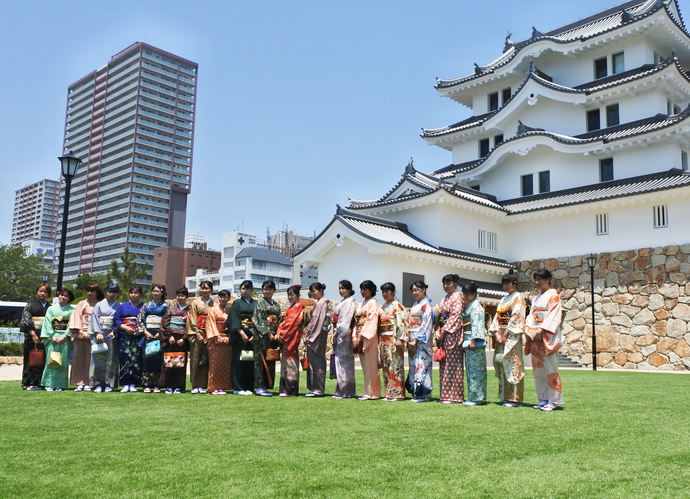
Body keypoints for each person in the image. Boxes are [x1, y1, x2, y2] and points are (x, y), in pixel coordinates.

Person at [525, 269, 564, 411]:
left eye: (540, 279)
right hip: (535, 335)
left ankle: (553, 401)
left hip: (546, 336)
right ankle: (543, 398)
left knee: (550, 368)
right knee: (538, 369)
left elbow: (554, 315)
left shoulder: (554, 296)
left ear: (548, 279)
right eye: (536, 279)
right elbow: (530, 316)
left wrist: (541, 329)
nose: (537, 282)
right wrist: (528, 329)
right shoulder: (536, 298)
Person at [489, 270, 526, 407]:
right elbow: (497, 318)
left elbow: (517, 316)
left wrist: (506, 334)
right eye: (503, 284)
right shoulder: (503, 299)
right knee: (503, 364)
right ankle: (506, 396)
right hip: (501, 335)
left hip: (512, 336)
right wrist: (497, 334)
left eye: (508, 283)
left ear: (514, 284)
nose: (505, 286)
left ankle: (515, 398)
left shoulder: (518, 298)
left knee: (514, 365)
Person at [435, 274, 465, 404]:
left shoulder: (458, 297)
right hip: (443, 332)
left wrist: (444, 331)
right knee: (444, 364)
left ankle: (455, 395)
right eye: (444, 283)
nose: (446, 286)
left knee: (454, 365)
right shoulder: (444, 299)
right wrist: (437, 331)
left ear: (455, 283)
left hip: (452, 334)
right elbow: (440, 317)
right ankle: (445, 395)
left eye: (449, 283)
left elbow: (455, 316)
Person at [70, 283, 104, 391]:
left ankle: (90, 382)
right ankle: (79, 382)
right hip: (81, 333)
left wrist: (95, 332)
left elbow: (102, 320)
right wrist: (80, 331)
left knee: (92, 360)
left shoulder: (100, 304)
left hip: (94, 334)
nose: (89, 293)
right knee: (78, 358)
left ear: (97, 292)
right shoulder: (81, 304)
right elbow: (76, 317)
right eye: (88, 291)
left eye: (92, 291)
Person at [40, 289, 75, 391]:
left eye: (66, 296)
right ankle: (49, 383)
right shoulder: (51, 309)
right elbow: (47, 323)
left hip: (65, 338)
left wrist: (65, 335)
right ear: (58, 296)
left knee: (63, 361)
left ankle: (60, 384)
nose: (63, 297)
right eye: (62, 295)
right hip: (53, 336)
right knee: (50, 360)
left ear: (69, 298)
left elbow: (71, 324)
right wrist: (51, 336)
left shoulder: (71, 310)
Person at [136, 284, 168, 393]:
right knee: (147, 359)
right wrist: (145, 331)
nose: (155, 293)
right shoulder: (146, 305)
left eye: (157, 291)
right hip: (148, 334)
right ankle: (146, 384)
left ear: (162, 293)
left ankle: (157, 384)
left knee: (158, 360)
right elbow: (139, 319)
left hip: (160, 335)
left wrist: (161, 332)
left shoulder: (165, 306)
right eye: (153, 291)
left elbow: (167, 321)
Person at [89, 283, 121, 393]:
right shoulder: (99, 305)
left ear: (117, 293)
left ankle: (109, 384)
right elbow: (94, 319)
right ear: (106, 292)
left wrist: (115, 331)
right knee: (98, 360)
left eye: (114, 292)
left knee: (112, 360)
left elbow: (120, 321)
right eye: (109, 291)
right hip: (100, 334)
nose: (111, 294)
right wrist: (97, 332)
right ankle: (97, 383)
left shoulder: (119, 306)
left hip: (112, 335)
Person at [405, 280, 434, 402]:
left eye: (417, 290)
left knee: (422, 365)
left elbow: (426, 323)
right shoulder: (417, 304)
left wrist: (417, 339)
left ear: (424, 290)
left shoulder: (427, 305)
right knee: (414, 365)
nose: (415, 292)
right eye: (413, 291)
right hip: (413, 337)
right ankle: (416, 393)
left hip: (421, 340)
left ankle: (424, 394)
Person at [252, 280, 281, 396]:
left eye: (269, 289)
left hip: (273, 336)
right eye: (265, 289)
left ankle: (268, 385)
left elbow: (279, 320)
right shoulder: (260, 303)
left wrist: (277, 332)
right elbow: (258, 319)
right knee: (259, 360)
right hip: (261, 335)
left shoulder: (277, 305)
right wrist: (268, 333)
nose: (267, 291)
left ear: (274, 290)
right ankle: (259, 386)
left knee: (270, 359)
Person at [113, 286, 144, 392]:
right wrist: (124, 327)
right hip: (124, 335)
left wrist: (140, 330)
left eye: (136, 293)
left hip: (137, 335)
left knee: (136, 359)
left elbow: (146, 320)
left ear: (140, 294)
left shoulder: (143, 306)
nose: (134, 295)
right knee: (124, 358)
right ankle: (125, 383)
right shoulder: (122, 307)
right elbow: (116, 319)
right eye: (132, 293)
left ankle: (134, 383)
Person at [20, 283, 51, 390]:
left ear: (48, 294)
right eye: (40, 291)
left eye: (45, 292)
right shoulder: (30, 305)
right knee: (31, 358)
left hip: (46, 335)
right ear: (36, 292)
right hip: (32, 335)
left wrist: (47, 334)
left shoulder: (50, 307)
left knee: (44, 358)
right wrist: (33, 334)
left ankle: (42, 382)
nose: (42, 293)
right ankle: (28, 382)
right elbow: (25, 321)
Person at [378, 282, 406, 401]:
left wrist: (400, 338)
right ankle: (388, 392)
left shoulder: (397, 306)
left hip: (393, 337)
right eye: (383, 292)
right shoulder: (383, 307)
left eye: (387, 291)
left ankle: (398, 393)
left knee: (395, 365)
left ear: (393, 292)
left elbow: (401, 323)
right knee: (385, 365)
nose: (384, 294)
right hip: (384, 338)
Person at [158, 287, 189, 394]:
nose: (180, 298)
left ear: (186, 297)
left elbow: (190, 326)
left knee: (180, 364)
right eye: (178, 295)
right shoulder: (171, 309)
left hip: (181, 341)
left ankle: (178, 386)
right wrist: (168, 336)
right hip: (170, 340)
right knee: (168, 363)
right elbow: (164, 323)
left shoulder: (189, 310)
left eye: (182, 295)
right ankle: (168, 386)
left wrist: (184, 339)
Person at [353, 280, 380, 401]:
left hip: (369, 336)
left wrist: (362, 335)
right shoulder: (361, 304)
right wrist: (355, 335)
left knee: (371, 365)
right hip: (360, 334)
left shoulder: (373, 302)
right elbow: (357, 320)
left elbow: (371, 319)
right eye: (361, 289)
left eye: (365, 289)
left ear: (371, 290)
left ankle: (372, 393)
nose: (363, 291)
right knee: (365, 365)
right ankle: (367, 391)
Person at [275, 285, 304, 397]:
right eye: (289, 294)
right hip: (288, 336)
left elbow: (291, 323)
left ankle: (290, 389)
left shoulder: (298, 306)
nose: (290, 297)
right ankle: (285, 389)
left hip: (291, 337)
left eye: (292, 294)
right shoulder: (292, 307)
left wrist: (281, 333)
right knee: (286, 364)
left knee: (291, 363)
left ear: (297, 295)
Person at [461, 282, 487, 405]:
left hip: (473, 340)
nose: (465, 296)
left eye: (467, 293)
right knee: (471, 369)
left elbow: (477, 324)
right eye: (464, 293)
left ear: (474, 294)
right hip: (468, 338)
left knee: (476, 370)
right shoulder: (471, 305)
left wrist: (473, 339)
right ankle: (473, 396)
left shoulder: (476, 307)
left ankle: (477, 397)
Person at [229, 280, 256, 395]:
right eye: (243, 289)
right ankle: (238, 388)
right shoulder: (236, 303)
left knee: (249, 361)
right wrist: (241, 333)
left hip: (253, 335)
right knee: (238, 361)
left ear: (251, 290)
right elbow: (233, 319)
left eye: (247, 289)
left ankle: (249, 387)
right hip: (240, 335)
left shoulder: (256, 303)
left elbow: (259, 320)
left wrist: (254, 333)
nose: (244, 291)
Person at [187, 280, 214, 394]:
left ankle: (202, 385)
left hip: (209, 333)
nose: (204, 290)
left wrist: (210, 334)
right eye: (202, 288)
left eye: (207, 288)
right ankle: (195, 385)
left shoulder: (214, 304)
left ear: (211, 290)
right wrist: (197, 332)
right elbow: (191, 318)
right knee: (195, 359)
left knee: (206, 360)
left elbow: (214, 320)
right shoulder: (195, 302)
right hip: (196, 332)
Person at [332, 280, 356, 399]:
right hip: (342, 333)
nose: (341, 290)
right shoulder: (345, 302)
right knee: (344, 363)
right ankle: (347, 390)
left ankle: (344, 391)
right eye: (340, 288)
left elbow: (344, 323)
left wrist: (336, 333)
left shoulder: (348, 303)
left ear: (349, 289)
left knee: (343, 363)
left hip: (343, 335)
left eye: (344, 288)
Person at [305, 282, 329, 397]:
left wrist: (311, 337)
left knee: (318, 363)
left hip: (317, 336)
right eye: (312, 291)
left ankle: (318, 389)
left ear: (321, 290)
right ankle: (315, 388)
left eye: (314, 291)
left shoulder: (322, 303)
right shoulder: (319, 303)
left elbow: (318, 322)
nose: (313, 293)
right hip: (315, 335)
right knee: (314, 363)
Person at [206, 289, 232, 395]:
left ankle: (224, 386)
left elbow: (232, 324)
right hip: (216, 340)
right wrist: (217, 336)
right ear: (218, 298)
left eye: (225, 297)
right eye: (221, 297)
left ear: (229, 298)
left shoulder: (230, 310)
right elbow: (210, 324)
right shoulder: (213, 310)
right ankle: (214, 387)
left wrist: (229, 337)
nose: (223, 299)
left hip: (227, 339)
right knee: (215, 365)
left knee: (226, 365)